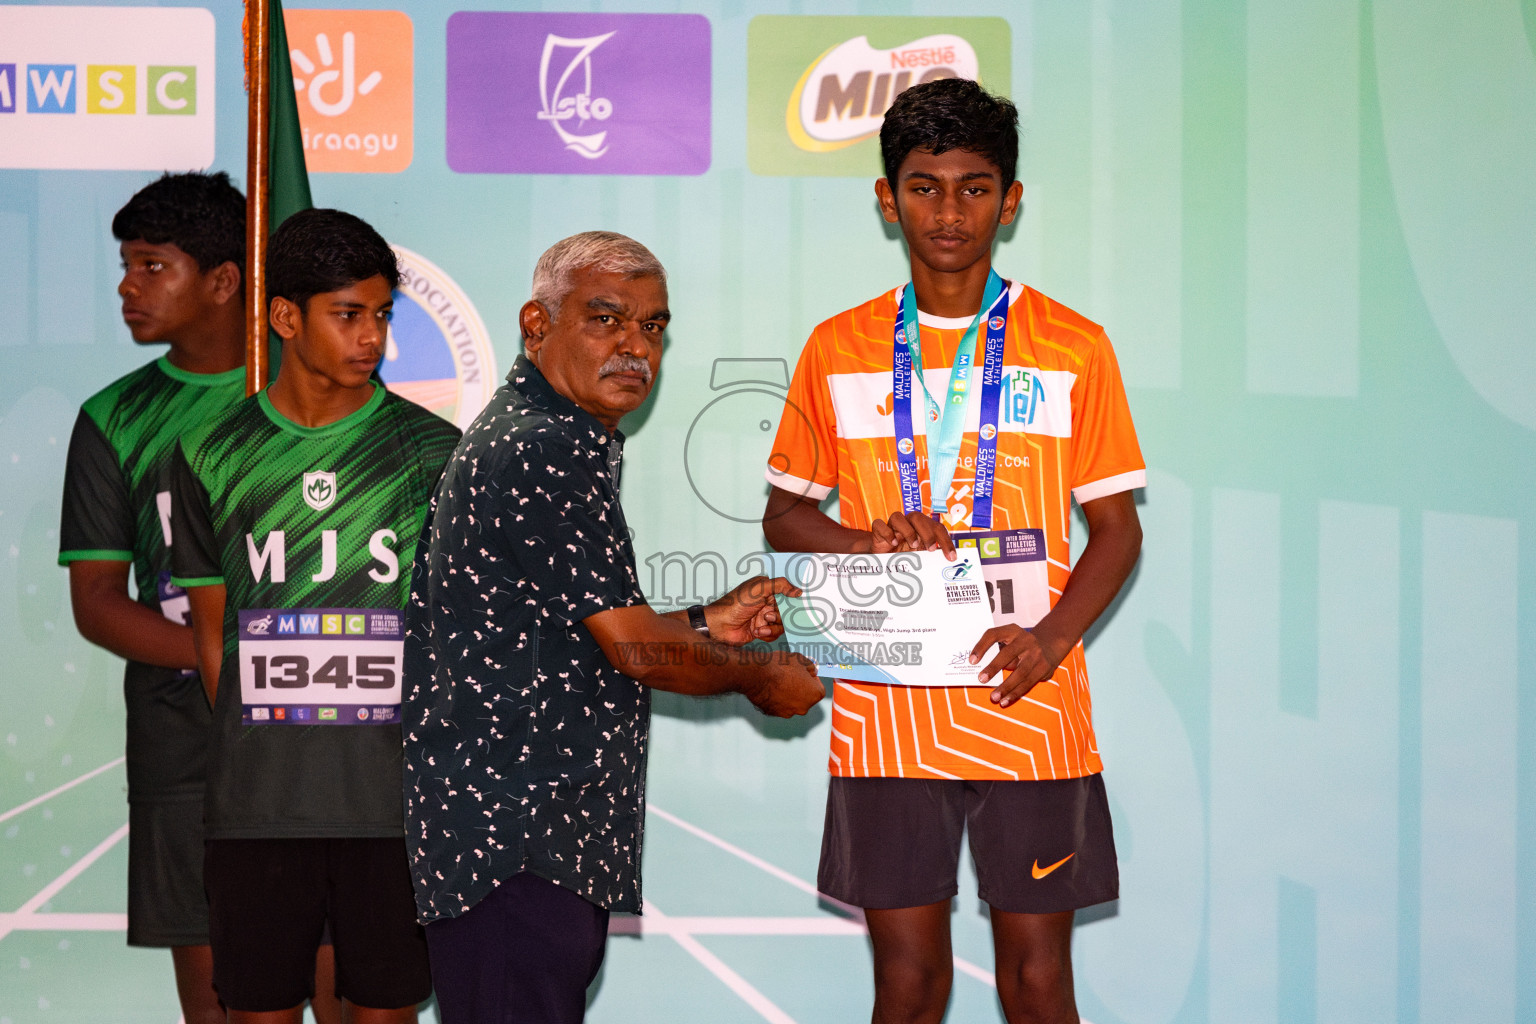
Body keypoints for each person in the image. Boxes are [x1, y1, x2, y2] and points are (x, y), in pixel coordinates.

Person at [762, 78, 1146, 1024]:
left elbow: (1119, 527)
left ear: (1010, 201)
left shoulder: (1074, 346)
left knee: (1038, 982)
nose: (949, 211)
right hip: (887, 704)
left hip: (1029, 701)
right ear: (888, 198)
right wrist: (868, 536)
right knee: (907, 984)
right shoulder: (837, 347)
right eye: (925, 187)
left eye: (975, 187)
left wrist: (1053, 638)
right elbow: (784, 516)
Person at [401, 230, 825, 1024]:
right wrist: (759, 672)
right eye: (606, 320)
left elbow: (566, 631)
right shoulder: (545, 446)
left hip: (523, 839)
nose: (636, 346)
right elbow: (634, 650)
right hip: (519, 842)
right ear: (536, 325)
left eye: (653, 327)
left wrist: (705, 621)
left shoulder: (548, 436)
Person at [54, 171, 341, 1024]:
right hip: (186, 744)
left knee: (343, 992)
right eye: (126, 265)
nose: (126, 286)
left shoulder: (318, 402)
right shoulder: (117, 416)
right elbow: (98, 599)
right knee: (224, 1005)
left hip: (321, 746)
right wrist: (227, 656)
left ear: (224, 280)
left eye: (151, 266)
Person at [170, 208, 460, 1023]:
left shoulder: (434, 454)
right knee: (258, 1011)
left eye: (381, 316)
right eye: (348, 315)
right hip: (258, 810)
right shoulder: (208, 453)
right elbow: (211, 635)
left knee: (388, 1010)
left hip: (395, 809)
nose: (372, 338)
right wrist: (272, 752)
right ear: (285, 317)